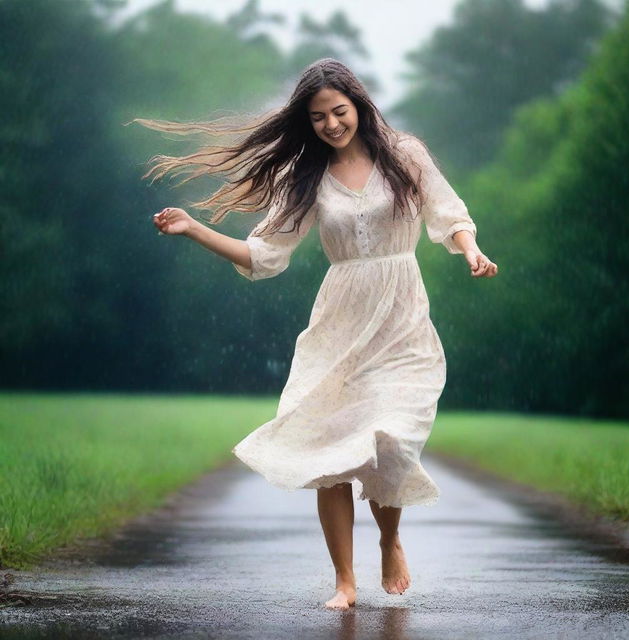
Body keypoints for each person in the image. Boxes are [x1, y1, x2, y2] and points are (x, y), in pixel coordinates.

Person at [137, 57, 498, 610]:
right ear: (307, 124)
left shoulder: (405, 156)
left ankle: (389, 537)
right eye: (318, 117)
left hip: (401, 320)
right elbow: (262, 255)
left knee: (389, 439)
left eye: (339, 111)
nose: (331, 124)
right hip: (339, 326)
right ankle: (345, 583)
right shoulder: (305, 180)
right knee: (329, 453)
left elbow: (449, 215)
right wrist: (194, 229)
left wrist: (472, 250)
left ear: (358, 104)